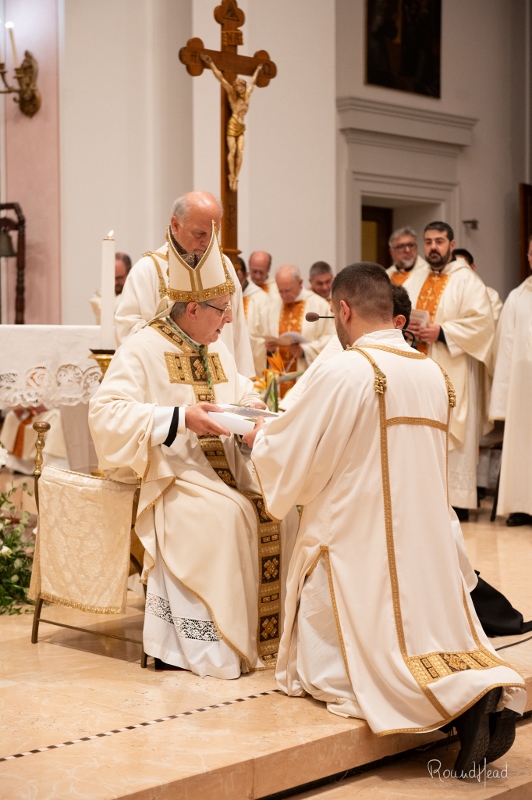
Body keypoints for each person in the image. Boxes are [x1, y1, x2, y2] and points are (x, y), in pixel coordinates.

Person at [245, 263, 525, 776]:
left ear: (343, 310)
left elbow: (298, 450)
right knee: (425, 637)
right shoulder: (431, 372)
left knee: (333, 670)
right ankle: (474, 688)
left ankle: (460, 705)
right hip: (425, 540)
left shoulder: (349, 368)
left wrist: (258, 440)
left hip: (357, 539)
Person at [89, 222, 298, 677]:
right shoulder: (142, 348)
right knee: (229, 517)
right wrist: (181, 417)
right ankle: (209, 646)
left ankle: (267, 639)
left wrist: (251, 409)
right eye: (222, 310)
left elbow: (241, 389)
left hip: (229, 470)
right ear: (192, 307)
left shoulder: (214, 348)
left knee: (281, 509)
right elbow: (105, 414)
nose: (229, 320)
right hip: (174, 476)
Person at [406, 222, 495, 521]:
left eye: (439, 241)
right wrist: (407, 326)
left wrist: (442, 332)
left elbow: (483, 323)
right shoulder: (415, 278)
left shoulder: (467, 280)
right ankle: (421, 499)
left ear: (451, 245)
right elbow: (397, 314)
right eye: (429, 241)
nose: (433, 247)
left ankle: (456, 503)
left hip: (451, 369)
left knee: (451, 431)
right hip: (415, 371)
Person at [114, 191, 255, 378]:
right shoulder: (147, 269)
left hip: (221, 380)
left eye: (214, 234)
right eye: (199, 234)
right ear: (175, 224)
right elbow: (127, 332)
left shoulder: (224, 266)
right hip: (168, 382)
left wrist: (245, 383)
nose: (207, 242)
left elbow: (238, 330)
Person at [489, 236, 532, 527]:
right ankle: (522, 506)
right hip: (523, 387)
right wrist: (502, 398)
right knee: (523, 444)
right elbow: (504, 348)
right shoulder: (517, 297)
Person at [249, 264, 334, 395]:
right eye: (280, 291)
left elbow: (330, 339)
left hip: (305, 379)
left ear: (300, 283)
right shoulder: (270, 306)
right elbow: (255, 337)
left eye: (288, 290)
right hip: (276, 380)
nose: (284, 295)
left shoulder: (319, 305)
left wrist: (305, 350)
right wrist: (267, 349)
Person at [200, 54, 263, 192]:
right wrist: (211, 63)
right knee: (232, 150)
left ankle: (236, 177)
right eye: (238, 86)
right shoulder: (232, 95)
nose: (240, 88)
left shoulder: (247, 96)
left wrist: (258, 69)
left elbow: (253, 82)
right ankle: (231, 175)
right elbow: (221, 78)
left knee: (240, 151)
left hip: (241, 126)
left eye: (242, 86)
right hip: (233, 124)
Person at [235, 255, 270, 376]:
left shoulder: (261, 298)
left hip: (252, 360)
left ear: (246, 275)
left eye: (237, 278)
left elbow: (266, 334)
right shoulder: (223, 297)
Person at [453, 248, 503, 322]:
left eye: (462, 268)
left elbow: (492, 322)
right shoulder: (446, 295)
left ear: (472, 268)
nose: (458, 273)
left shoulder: (491, 296)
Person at [90, 252, 132, 324]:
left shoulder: (137, 293)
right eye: (112, 277)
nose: (115, 282)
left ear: (129, 273)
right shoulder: (100, 295)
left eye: (119, 278)